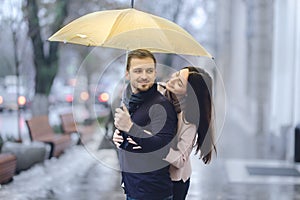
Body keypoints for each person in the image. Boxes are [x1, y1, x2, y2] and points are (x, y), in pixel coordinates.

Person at [114, 66, 217, 200]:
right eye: (176, 74)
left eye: (179, 83)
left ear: (187, 93)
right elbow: (134, 121)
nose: (172, 80)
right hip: (146, 175)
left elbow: (180, 160)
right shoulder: (156, 91)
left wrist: (150, 142)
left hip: (173, 181)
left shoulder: (189, 120)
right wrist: (120, 133)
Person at [113, 49, 178, 200]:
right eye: (138, 71)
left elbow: (163, 147)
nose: (144, 76)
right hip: (133, 188)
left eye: (149, 71)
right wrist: (120, 136)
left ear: (155, 74)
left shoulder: (161, 106)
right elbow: (137, 138)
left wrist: (130, 127)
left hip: (152, 192)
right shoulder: (132, 102)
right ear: (127, 74)